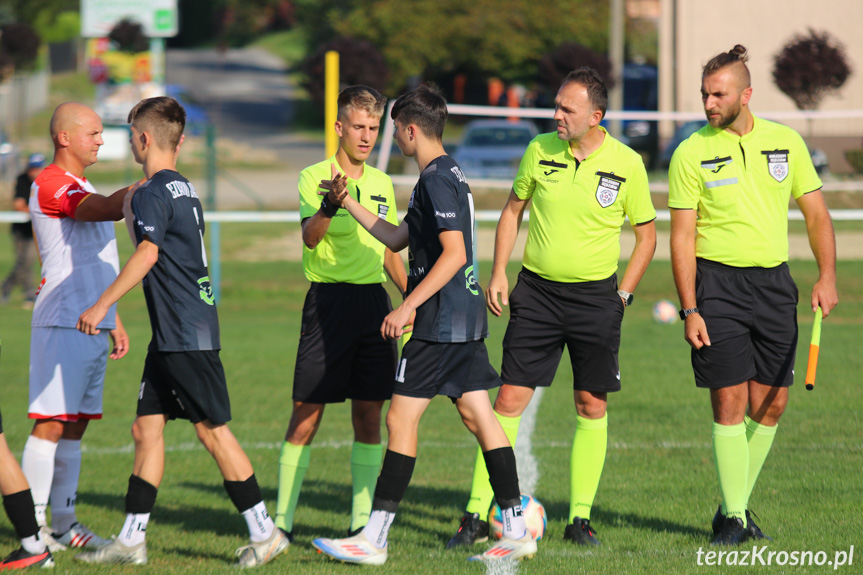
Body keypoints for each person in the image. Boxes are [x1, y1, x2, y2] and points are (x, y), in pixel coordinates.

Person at [311, 84, 537, 564]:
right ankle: (516, 527)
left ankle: (375, 537)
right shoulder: (446, 172)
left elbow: (454, 254)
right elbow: (396, 238)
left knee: (400, 419)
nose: (391, 136)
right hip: (464, 317)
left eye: (393, 128)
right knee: (479, 415)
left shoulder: (434, 180)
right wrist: (347, 202)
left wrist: (407, 305)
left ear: (411, 129)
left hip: (440, 322)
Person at [74, 96, 288, 567]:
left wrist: (102, 304)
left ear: (145, 139)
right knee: (145, 429)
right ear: (182, 141)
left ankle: (265, 532)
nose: (129, 141)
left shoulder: (153, 192)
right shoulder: (184, 189)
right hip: (177, 332)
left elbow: (148, 253)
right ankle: (131, 539)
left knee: (214, 434)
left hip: (183, 334)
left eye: (131, 134)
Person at [447, 67, 657, 548]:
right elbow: (512, 211)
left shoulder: (627, 163)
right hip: (536, 295)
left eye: (567, 108)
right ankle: (477, 513)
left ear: (596, 115)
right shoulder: (539, 149)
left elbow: (647, 236)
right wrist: (498, 272)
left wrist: (623, 294)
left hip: (595, 300)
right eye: (557, 105)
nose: (556, 114)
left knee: (591, 403)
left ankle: (580, 518)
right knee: (506, 402)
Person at [669, 45, 838, 545]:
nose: (707, 103)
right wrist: (690, 307)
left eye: (717, 94)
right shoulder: (690, 152)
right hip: (716, 287)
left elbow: (816, 215)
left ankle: (729, 508)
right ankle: (737, 521)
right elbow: (681, 237)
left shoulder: (786, 142)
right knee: (729, 401)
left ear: (746, 94)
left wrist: (827, 276)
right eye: (704, 94)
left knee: (772, 405)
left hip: (774, 285)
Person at [275, 85, 407, 544]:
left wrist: (414, 301)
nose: (367, 136)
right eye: (359, 127)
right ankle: (282, 524)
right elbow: (311, 238)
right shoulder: (314, 176)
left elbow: (390, 251)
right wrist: (330, 204)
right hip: (328, 306)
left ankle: (361, 524)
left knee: (370, 416)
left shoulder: (384, 183)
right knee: (306, 415)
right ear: (339, 128)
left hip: (375, 307)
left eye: (373, 128)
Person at [22, 102, 132, 553]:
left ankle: (65, 525)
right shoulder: (50, 183)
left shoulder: (81, 184)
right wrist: (148, 187)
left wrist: (115, 318)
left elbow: (95, 260)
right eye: (93, 132)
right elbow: (101, 211)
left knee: (76, 426)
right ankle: (34, 528)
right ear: (64, 137)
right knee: (50, 423)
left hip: (92, 322)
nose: (100, 139)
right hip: (63, 319)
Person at [1, 154, 44, 308]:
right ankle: (26, 294)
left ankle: (11, 289)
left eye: (36, 168)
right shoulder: (22, 180)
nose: (33, 171)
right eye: (31, 168)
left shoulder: (45, 182)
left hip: (35, 229)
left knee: (28, 260)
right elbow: (18, 205)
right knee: (23, 262)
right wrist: (36, 213)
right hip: (20, 230)